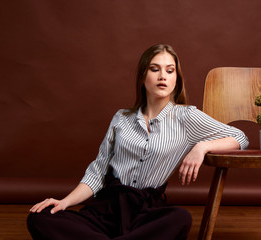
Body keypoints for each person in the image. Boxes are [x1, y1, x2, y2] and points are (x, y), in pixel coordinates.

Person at [27, 43, 249, 240]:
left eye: (170, 71)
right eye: (155, 69)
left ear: (176, 79)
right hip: (106, 208)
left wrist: (202, 147)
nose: (163, 76)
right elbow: (97, 172)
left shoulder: (187, 117)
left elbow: (241, 137)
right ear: (143, 76)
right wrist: (65, 202)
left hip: (146, 213)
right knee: (40, 218)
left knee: (180, 219)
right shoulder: (121, 118)